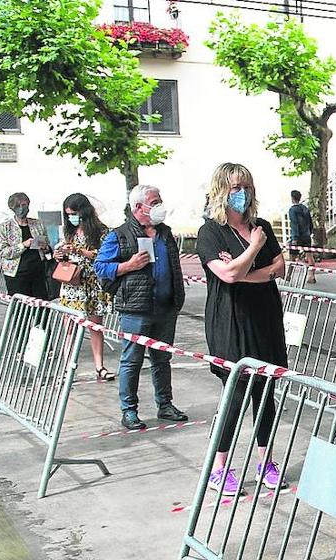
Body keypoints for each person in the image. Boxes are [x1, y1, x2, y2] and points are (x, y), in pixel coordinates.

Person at [196, 163, 289, 492]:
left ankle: (266, 461)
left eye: (247, 186)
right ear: (222, 191)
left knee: (266, 394)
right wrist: (252, 250)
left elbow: (280, 267)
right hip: (230, 322)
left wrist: (246, 270)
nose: (243, 193)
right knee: (235, 392)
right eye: (236, 187)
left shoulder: (261, 226)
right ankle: (219, 467)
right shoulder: (210, 232)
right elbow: (227, 276)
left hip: (266, 319)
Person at [93, 184, 188, 431]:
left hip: (166, 307)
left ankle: (165, 404)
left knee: (162, 359)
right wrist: (128, 266)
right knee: (132, 360)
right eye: (154, 202)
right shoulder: (120, 235)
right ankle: (129, 410)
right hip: (136, 308)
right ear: (138, 207)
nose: (160, 206)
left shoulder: (165, 233)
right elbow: (100, 267)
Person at [54, 193, 114, 382]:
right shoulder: (68, 232)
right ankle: (67, 368)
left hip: (92, 282)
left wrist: (78, 250)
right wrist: (60, 255)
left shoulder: (100, 231)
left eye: (74, 213)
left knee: (95, 326)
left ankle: (99, 366)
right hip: (72, 282)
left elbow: (102, 254)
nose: (71, 217)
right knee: (69, 326)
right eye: (68, 214)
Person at [0, 192, 54, 300]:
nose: (22, 208)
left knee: (41, 307)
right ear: (12, 208)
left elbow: (47, 247)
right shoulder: (4, 227)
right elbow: (3, 252)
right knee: (20, 308)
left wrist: (45, 247)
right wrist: (23, 245)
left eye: (25, 205)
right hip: (16, 274)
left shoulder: (38, 224)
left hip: (38, 272)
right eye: (19, 206)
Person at [287, 190, 314, 284]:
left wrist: (294, 238)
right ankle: (311, 276)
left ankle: (288, 276)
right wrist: (309, 232)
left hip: (297, 236)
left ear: (292, 198)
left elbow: (294, 224)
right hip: (306, 236)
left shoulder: (292, 210)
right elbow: (310, 223)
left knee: (292, 257)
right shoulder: (305, 208)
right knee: (309, 255)